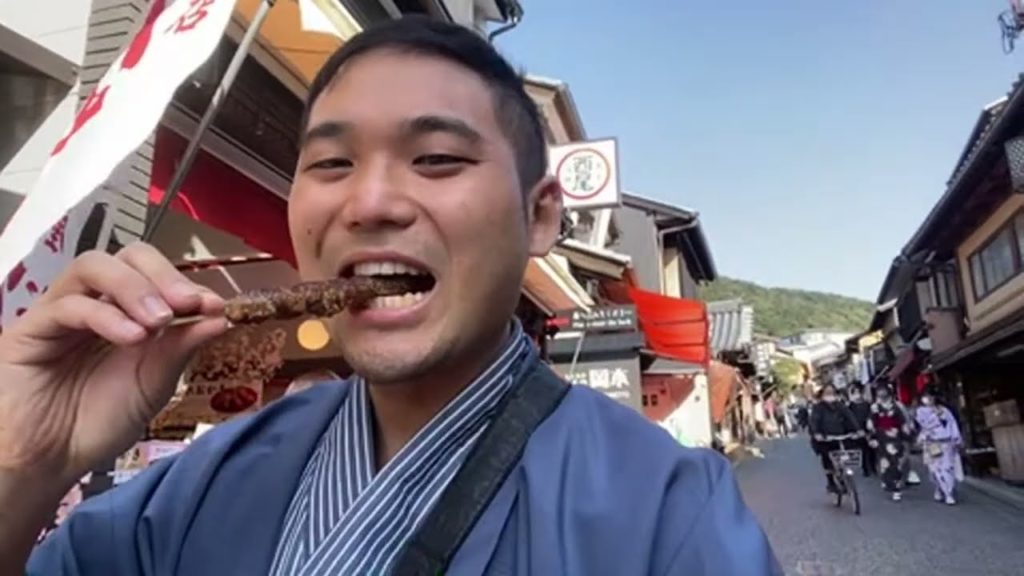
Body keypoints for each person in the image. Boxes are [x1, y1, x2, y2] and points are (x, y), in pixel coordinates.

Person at [0, 17, 779, 576]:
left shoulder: (668, 517)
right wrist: (27, 460)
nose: (368, 203)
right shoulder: (205, 482)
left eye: (436, 158)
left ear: (540, 214)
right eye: (331, 165)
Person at [809, 384, 863, 494]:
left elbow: (850, 416)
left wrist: (858, 429)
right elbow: (814, 421)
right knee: (827, 458)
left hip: (841, 435)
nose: (830, 395)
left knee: (846, 453)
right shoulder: (818, 407)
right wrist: (817, 433)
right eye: (827, 392)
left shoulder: (840, 406)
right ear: (822, 394)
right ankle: (831, 483)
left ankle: (844, 477)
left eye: (832, 392)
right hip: (825, 438)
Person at [915, 388, 964, 505]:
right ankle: (939, 488)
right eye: (926, 397)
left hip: (946, 442)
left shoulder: (945, 410)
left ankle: (948, 493)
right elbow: (923, 425)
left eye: (930, 396)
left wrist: (956, 438)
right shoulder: (921, 411)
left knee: (947, 468)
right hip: (932, 443)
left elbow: (953, 424)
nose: (928, 399)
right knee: (934, 470)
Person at [866, 385, 911, 502]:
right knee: (884, 463)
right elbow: (871, 423)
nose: (882, 394)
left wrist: (907, 436)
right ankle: (888, 482)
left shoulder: (896, 406)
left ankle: (896, 488)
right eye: (880, 392)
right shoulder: (875, 407)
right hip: (881, 437)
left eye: (884, 391)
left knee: (896, 463)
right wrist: (872, 438)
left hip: (895, 437)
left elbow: (903, 422)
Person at [846, 384, 875, 477]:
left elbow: (871, 415)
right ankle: (865, 469)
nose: (858, 395)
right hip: (858, 431)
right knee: (862, 451)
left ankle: (873, 467)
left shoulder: (867, 404)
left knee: (871, 450)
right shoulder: (851, 406)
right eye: (855, 393)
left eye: (859, 392)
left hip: (868, 429)